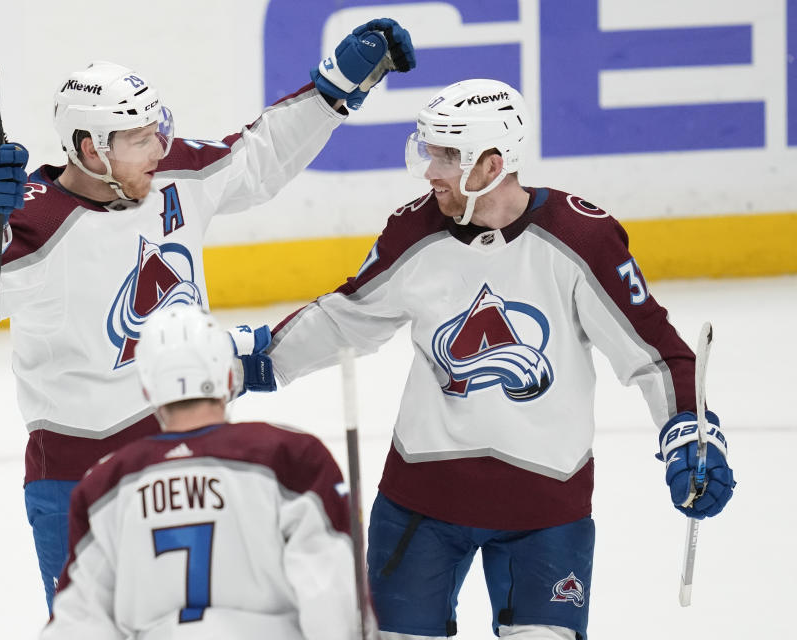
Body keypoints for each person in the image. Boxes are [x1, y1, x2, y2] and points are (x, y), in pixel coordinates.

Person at [0, 20, 415, 613]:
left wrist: (334, 90)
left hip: (187, 449)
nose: (160, 147)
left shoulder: (173, 176)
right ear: (92, 147)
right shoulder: (32, 229)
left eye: (159, 129)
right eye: (140, 137)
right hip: (75, 477)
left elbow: (257, 156)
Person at [241, 79, 737, 639]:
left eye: (449, 155)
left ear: (493, 164)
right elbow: (347, 316)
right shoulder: (415, 230)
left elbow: (655, 353)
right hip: (421, 503)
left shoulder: (581, 239)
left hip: (545, 510)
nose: (431, 171)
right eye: (429, 151)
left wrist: (691, 435)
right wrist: (254, 362)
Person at [40, 305, 359, 639]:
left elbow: (78, 622)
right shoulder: (291, 459)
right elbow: (331, 598)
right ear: (230, 377)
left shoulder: (107, 485)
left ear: (148, 391)